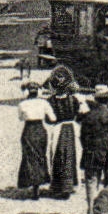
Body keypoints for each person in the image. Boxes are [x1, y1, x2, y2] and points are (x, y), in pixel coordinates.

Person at [80, 85, 108, 210]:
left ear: (96, 100)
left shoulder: (88, 116)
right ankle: (105, 209)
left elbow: (82, 136)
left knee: (91, 180)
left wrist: (87, 147)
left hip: (91, 151)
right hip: (106, 151)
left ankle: (91, 210)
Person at [17, 81, 56, 200]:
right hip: (40, 130)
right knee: (40, 156)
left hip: (28, 130)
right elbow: (53, 118)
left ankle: (31, 183)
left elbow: (20, 118)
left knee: (29, 157)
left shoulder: (22, 104)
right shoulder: (44, 103)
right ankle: (38, 184)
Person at [46, 69, 82, 200]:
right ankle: (70, 184)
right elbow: (80, 114)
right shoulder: (74, 99)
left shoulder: (50, 101)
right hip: (73, 128)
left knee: (56, 155)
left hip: (58, 128)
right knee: (73, 155)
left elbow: (49, 119)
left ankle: (58, 185)